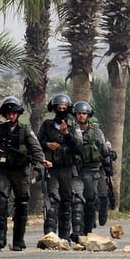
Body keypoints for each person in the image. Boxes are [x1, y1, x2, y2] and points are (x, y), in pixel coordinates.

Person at [0, 96, 52, 251]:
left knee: (22, 202)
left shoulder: (25, 131)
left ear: (18, 114)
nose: (11, 116)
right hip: (4, 171)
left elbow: (35, 148)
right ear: (4, 114)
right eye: (8, 113)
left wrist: (42, 160)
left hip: (21, 171)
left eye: (13, 113)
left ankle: (18, 240)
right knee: (1, 198)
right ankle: (0, 237)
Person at [37, 93, 83, 240]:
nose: (61, 110)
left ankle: (64, 237)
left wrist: (66, 134)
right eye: (59, 108)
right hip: (52, 168)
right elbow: (36, 144)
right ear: (54, 109)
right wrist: (46, 144)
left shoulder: (73, 126)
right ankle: (49, 235)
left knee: (67, 201)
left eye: (64, 108)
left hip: (67, 169)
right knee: (51, 200)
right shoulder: (47, 125)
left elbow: (78, 147)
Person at [70, 101, 112, 241]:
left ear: (88, 115)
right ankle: (77, 231)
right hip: (75, 171)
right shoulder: (70, 130)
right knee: (77, 200)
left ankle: (87, 230)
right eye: (79, 113)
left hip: (92, 170)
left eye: (84, 113)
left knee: (90, 200)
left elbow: (104, 150)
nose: (81, 116)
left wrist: (107, 168)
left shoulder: (96, 132)